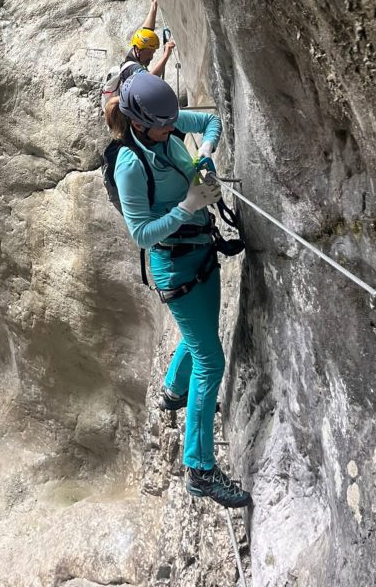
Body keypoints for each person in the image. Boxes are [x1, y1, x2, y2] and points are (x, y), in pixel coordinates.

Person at [105, 69, 251, 509]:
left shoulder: (162, 124)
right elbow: (142, 234)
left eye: (172, 122)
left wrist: (204, 154)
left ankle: (173, 391)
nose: (173, 128)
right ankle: (200, 471)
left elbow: (210, 124)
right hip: (175, 264)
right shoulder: (131, 165)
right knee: (211, 359)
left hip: (199, 251)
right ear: (140, 122)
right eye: (165, 124)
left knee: (199, 334)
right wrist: (189, 205)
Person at [126, 0, 175, 80]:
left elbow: (147, 31)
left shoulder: (136, 50)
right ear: (138, 50)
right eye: (149, 53)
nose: (151, 57)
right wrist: (166, 55)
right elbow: (150, 81)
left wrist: (154, 5)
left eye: (152, 53)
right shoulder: (132, 69)